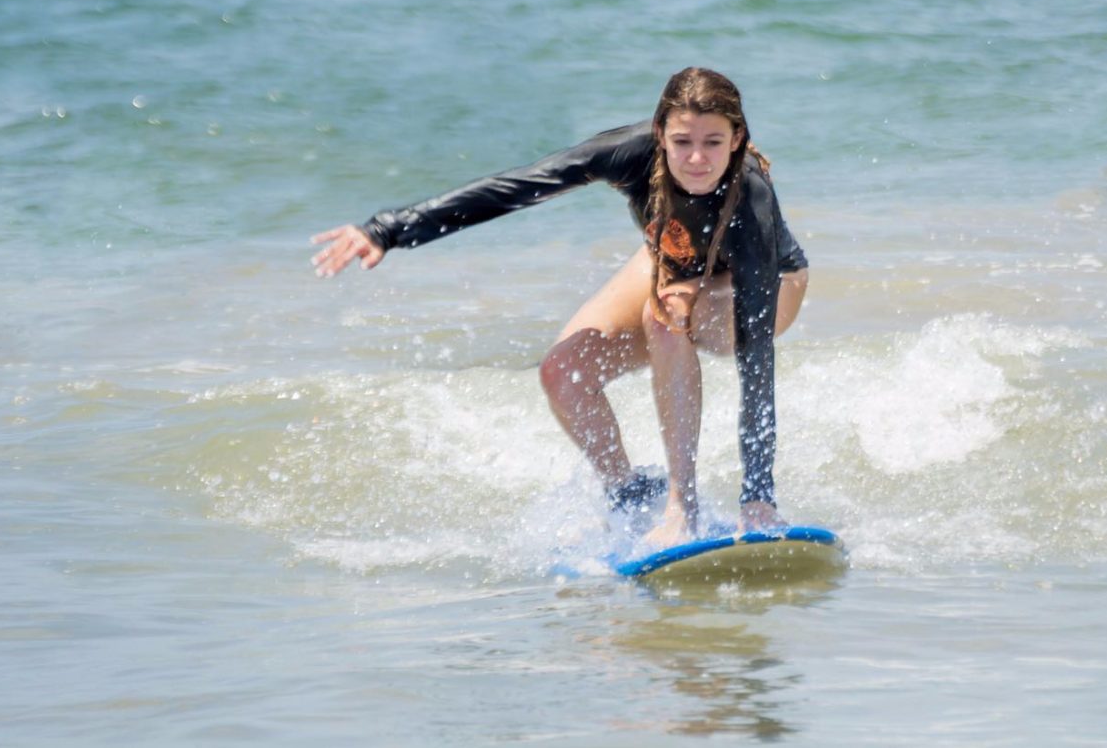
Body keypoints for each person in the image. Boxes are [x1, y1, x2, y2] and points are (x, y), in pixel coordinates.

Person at [311, 67, 808, 547]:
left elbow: (757, 359)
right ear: (659, 133)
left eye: (713, 142)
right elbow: (522, 186)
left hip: (770, 284)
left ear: (737, 138)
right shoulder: (630, 154)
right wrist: (389, 229)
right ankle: (629, 493)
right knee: (564, 371)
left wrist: (758, 496)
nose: (696, 158)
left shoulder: (751, 198)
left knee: (663, 317)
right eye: (682, 142)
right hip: (677, 261)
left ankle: (682, 508)